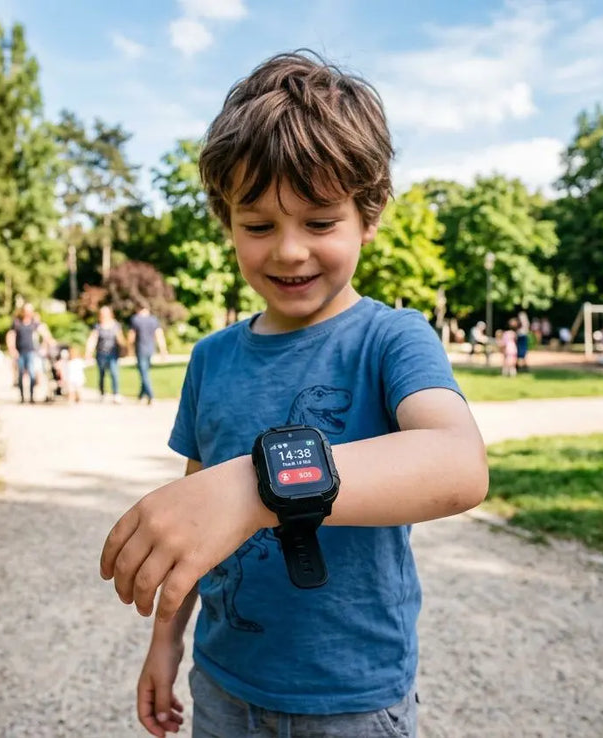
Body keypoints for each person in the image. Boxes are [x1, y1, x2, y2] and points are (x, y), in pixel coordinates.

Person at [98, 51, 488, 738]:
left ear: (369, 216)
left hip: (352, 700)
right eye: (257, 226)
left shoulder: (391, 339)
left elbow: (459, 465)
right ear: (226, 222)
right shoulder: (213, 358)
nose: (287, 251)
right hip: (222, 683)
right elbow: (197, 527)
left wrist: (260, 488)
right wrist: (165, 640)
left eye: (319, 222)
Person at [6, 303, 52, 404]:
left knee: (32, 374)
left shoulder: (34, 323)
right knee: (21, 374)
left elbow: (44, 333)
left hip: (31, 352)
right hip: (20, 352)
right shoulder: (17, 323)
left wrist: (47, 344)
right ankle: (22, 397)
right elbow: (11, 335)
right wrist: (12, 349)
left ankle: (31, 396)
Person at [128, 303, 169, 405]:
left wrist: (129, 349)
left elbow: (131, 337)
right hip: (151, 350)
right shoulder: (153, 320)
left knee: (144, 373)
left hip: (140, 349)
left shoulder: (136, 319)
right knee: (145, 372)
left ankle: (151, 395)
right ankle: (141, 395)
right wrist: (163, 350)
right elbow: (159, 335)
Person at [85, 306, 126, 403]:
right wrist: (89, 352)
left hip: (113, 353)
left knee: (114, 373)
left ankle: (116, 394)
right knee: (102, 374)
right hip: (101, 354)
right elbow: (93, 339)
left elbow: (120, 338)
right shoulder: (98, 326)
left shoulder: (116, 325)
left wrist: (124, 348)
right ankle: (102, 393)